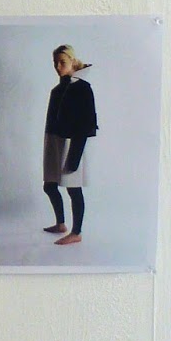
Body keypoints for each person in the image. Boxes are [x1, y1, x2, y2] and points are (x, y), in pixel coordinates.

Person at [42, 45, 98, 245]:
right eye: (55, 62)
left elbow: (87, 123)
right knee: (49, 185)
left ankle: (77, 232)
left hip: (72, 143)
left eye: (62, 62)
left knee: (73, 188)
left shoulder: (82, 88)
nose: (57, 66)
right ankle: (60, 224)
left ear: (72, 62)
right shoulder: (58, 89)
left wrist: (75, 155)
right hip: (54, 141)